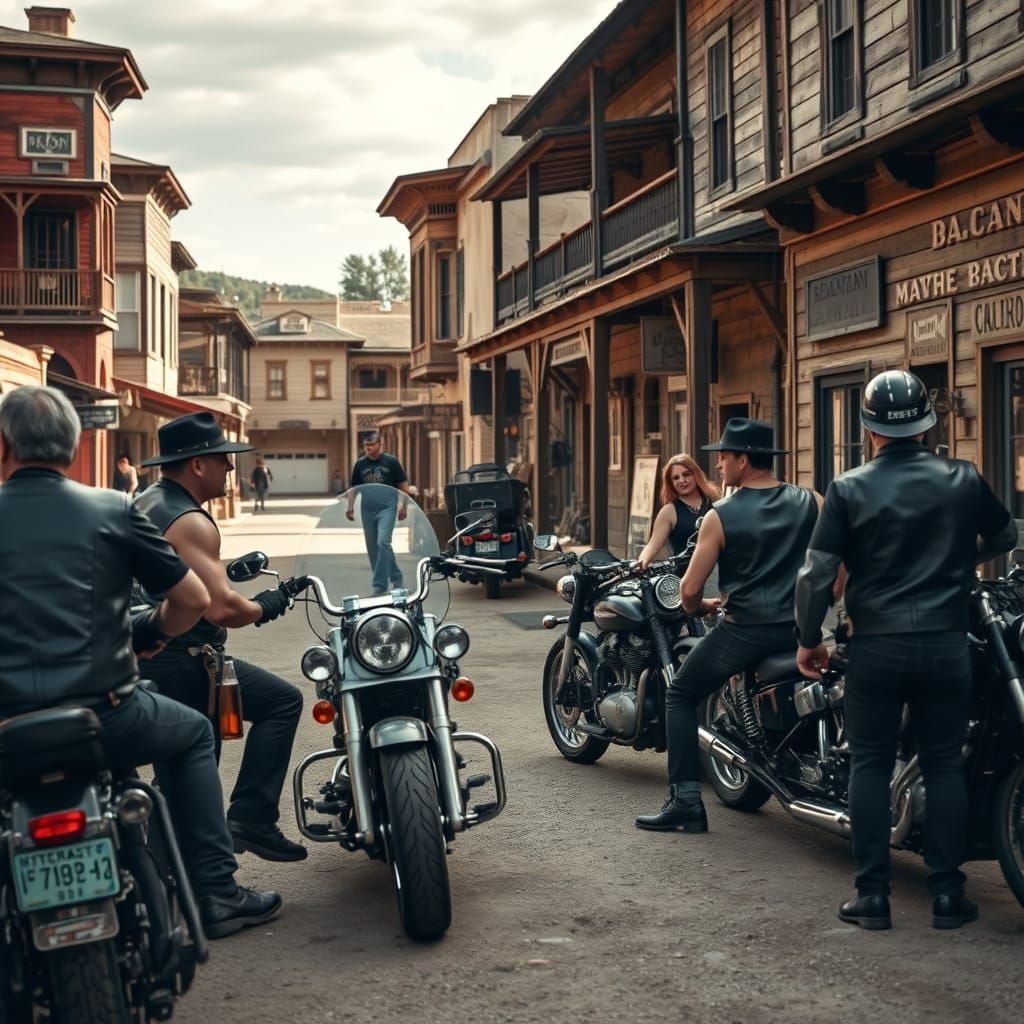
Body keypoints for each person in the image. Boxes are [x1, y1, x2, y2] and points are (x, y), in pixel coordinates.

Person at [0, 386, 281, 939]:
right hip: (105, 715)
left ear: (4, 444)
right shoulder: (111, 508)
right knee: (195, 733)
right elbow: (195, 601)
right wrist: (149, 634)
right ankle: (216, 892)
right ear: (74, 444)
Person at [794, 370, 1017, 932]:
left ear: (868, 429)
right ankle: (947, 896)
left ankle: (872, 898)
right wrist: (959, 557)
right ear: (927, 425)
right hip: (946, 642)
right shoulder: (963, 477)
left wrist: (807, 639)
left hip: (876, 644)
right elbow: (1005, 536)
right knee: (943, 763)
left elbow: (816, 574)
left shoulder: (848, 488)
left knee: (869, 762)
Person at [135, 413, 307, 863]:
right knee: (280, 703)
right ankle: (236, 837)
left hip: (145, 650)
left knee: (182, 768)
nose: (231, 469)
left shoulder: (148, 500)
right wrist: (267, 605)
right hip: (180, 656)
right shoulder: (189, 520)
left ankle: (171, 865)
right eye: (222, 460)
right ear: (196, 464)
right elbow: (221, 608)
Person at [636, 418, 821, 833]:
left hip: (745, 631)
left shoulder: (719, 515)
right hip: (799, 631)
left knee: (680, 694)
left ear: (742, 459)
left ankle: (685, 801)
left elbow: (688, 589)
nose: (718, 465)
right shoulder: (813, 502)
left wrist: (700, 608)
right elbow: (837, 568)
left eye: (723, 457)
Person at [346, 432, 411, 595]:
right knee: (373, 549)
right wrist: (350, 506)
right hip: (368, 509)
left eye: (372, 445)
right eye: (366, 446)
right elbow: (354, 488)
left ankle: (381, 584)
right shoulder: (360, 464)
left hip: (387, 508)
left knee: (383, 542)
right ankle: (394, 579)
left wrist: (404, 507)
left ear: (379, 445)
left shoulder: (391, 462)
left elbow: (403, 485)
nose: (368, 449)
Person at [637, 453, 720, 569]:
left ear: (696, 475)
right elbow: (653, 545)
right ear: (671, 483)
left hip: (718, 575)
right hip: (684, 577)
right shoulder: (669, 511)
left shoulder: (715, 500)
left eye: (686, 474)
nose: (682, 480)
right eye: (676, 478)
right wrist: (642, 562)